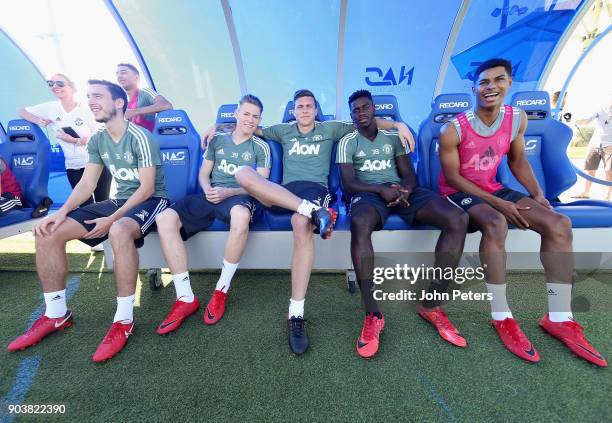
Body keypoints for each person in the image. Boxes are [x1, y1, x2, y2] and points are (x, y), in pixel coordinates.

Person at [202, 89, 414, 355]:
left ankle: (296, 314)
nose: (304, 110)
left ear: (316, 110)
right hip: (284, 192)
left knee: (300, 224)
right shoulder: (283, 130)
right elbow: (251, 125)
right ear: (294, 110)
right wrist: (217, 126)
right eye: (299, 106)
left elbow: (367, 121)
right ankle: (313, 212)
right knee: (244, 173)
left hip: (315, 189)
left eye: (309, 106)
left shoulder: (330, 128)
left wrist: (397, 124)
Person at [438, 58, 607, 366]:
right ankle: (501, 315)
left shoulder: (517, 118)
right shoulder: (454, 129)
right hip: (459, 192)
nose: (491, 87)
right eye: (484, 82)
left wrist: (538, 194)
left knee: (559, 223)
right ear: (473, 88)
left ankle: (559, 316)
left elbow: (517, 162)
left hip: (493, 188)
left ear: (509, 83)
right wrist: (497, 203)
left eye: (498, 80)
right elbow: (451, 178)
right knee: (495, 224)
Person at [7, 80, 168, 363]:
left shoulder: (140, 137)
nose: (91, 101)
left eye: (98, 96)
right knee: (48, 232)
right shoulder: (97, 140)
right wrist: (60, 213)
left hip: (152, 201)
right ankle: (56, 315)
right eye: (90, 96)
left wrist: (112, 218)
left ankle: (124, 320)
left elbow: (147, 189)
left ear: (119, 103)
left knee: (118, 230)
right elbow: (87, 183)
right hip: (120, 201)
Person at [337, 90, 469, 358]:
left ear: (374, 109)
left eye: (365, 107)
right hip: (369, 194)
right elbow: (348, 184)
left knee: (458, 218)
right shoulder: (347, 142)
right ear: (352, 115)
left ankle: (432, 304)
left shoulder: (393, 137)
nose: (361, 113)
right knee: (360, 222)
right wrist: (381, 190)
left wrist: (405, 191)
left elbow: (410, 174)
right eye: (355, 110)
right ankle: (373, 313)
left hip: (401, 191)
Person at [154, 94, 270, 334]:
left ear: (260, 120)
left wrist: (229, 192)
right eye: (246, 113)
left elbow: (262, 185)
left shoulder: (261, 146)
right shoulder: (217, 140)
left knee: (240, 216)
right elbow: (203, 174)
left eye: (255, 116)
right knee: (164, 218)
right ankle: (185, 297)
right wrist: (207, 190)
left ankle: (221, 290)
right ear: (237, 114)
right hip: (211, 194)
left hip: (239, 196)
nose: (250, 119)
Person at [19, 73, 111, 205]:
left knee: (103, 204)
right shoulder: (50, 108)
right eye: (51, 84)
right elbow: (22, 111)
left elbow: (100, 138)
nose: (55, 86)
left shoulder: (87, 108)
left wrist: (73, 140)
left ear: (72, 87)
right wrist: (38, 120)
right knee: (85, 207)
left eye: (60, 83)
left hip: (97, 163)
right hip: (73, 166)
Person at [572, 98, 612, 201]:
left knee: (609, 171)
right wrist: (574, 120)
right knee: (590, 169)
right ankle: (586, 192)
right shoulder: (601, 109)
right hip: (595, 144)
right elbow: (587, 120)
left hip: (610, 145)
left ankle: (608, 195)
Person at [116, 63, 173, 133]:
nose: (119, 76)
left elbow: (166, 105)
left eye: (123, 73)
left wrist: (133, 112)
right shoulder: (123, 104)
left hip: (151, 141)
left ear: (136, 77)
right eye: (117, 74)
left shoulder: (145, 92)